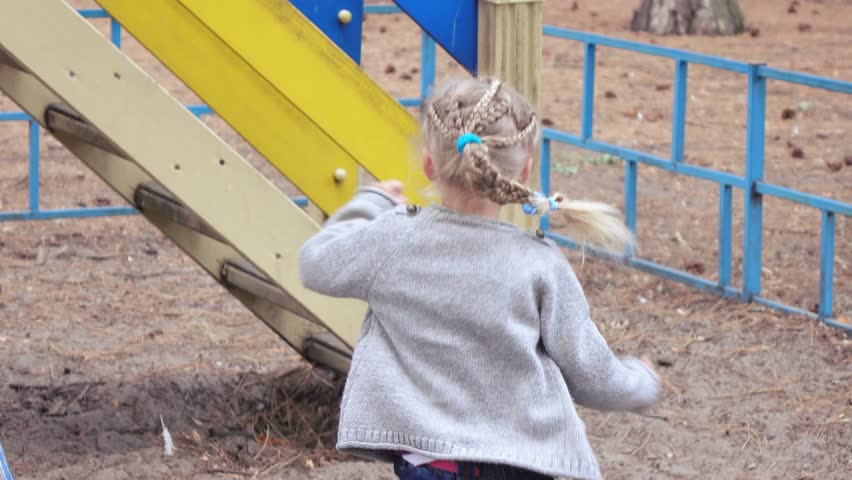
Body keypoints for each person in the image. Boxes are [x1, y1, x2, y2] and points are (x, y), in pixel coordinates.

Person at [299, 77, 660, 480]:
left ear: (428, 164)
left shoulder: (394, 238)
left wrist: (372, 201)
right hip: (522, 463)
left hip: (431, 462)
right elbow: (590, 373)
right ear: (523, 173)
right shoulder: (539, 264)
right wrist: (640, 382)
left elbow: (316, 264)